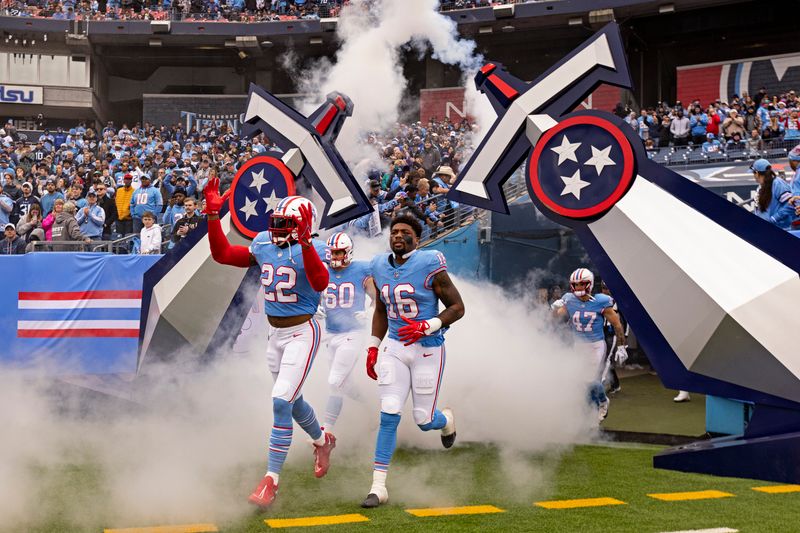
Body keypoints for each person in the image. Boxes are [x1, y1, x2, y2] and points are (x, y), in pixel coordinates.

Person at [203, 179, 335, 509]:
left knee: (280, 401)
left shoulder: (316, 248)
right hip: (275, 335)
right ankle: (322, 441)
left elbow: (320, 282)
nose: (276, 229)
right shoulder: (263, 243)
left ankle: (271, 481)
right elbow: (221, 254)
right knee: (292, 400)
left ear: (304, 226)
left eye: (285, 224)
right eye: (276, 223)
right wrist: (211, 215)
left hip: (304, 330)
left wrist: (304, 244)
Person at [361, 214, 465, 509]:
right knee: (389, 412)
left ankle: (446, 420)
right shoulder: (380, 265)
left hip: (427, 349)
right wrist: (372, 346)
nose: (397, 235)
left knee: (423, 420)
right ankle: (378, 487)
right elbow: (381, 309)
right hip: (395, 346)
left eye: (405, 232)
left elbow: (457, 307)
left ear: (417, 239)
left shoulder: (430, 262)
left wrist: (428, 325)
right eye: (394, 231)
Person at [551, 268, 627, 422]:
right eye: (575, 284)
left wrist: (621, 345)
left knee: (592, 381)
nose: (578, 288)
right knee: (580, 382)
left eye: (582, 284)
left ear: (590, 284)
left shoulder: (601, 301)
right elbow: (555, 318)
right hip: (579, 346)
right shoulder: (569, 300)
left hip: (596, 346)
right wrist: (553, 308)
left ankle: (603, 402)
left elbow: (617, 324)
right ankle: (589, 416)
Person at [321, 232, 374, 434]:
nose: (334, 256)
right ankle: (369, 406)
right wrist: (314, 307)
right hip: (331, 333)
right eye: (332, 252)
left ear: (348, 252)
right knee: (345, 383)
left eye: (339, 252)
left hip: (353, 333)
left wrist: (369, 311)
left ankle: (325, 432)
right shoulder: (323, 270)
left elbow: (377, 297)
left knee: (335, 381)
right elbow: (314, 293)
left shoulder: (361, 269)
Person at [751, 158, 794, 230]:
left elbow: (790, 204)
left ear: (757, 173)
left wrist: (774, 219)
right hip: (765, 230)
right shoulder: (762, 185)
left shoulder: (778, 183)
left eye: (753, 173)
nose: (753, 176)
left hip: (780, 230)